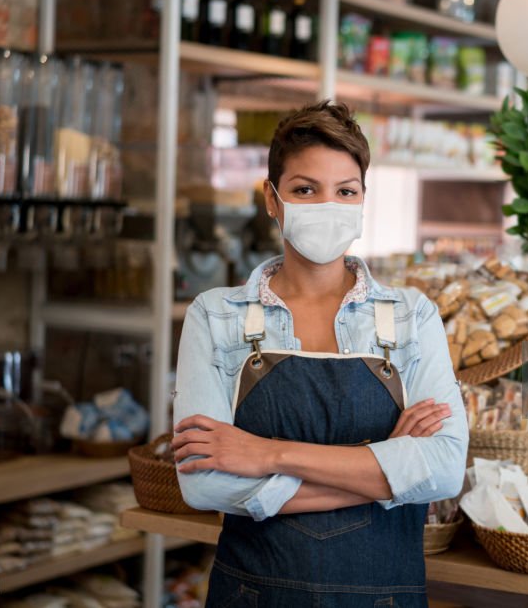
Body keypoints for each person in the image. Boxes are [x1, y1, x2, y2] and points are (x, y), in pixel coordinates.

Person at [171, 101, 468, 608]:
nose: (326, 205)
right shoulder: (215, 315)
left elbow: (442, 470)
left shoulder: (410, 316)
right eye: (305, 189)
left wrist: (266, 454)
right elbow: (204, 484)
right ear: (272, 198)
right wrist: (385, 473)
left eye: (345, 191)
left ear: (361, 201)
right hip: (254, 594)